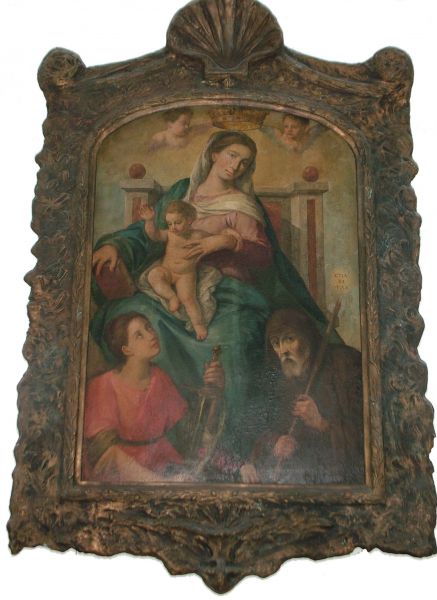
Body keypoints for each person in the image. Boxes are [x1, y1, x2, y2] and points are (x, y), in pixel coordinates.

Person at [91, 130, 332, 459]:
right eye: (231, 155)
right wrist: (115, 246)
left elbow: (264, 257)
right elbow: (149, 234)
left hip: (230, 292)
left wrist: (227, 242)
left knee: (227, 344)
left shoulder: (242, 204)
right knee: (135, 317)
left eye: (244, 162)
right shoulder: (183, 192)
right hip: (173, 284)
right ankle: (167, 433)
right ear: (214, 154)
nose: (236, 165)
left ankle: (232, 449)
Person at [83, 312, 224, 483]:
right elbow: (103, 452)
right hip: (124, 470)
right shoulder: (103, 385)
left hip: (162, 461)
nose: (151, 335)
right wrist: (162, 482)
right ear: (126, 349)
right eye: (139, 335)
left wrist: (215, 391)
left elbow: (190, 433)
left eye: (148, 327)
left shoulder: (159, 378)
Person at [240, 309, 364, 484]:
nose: (283, 350)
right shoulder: (282, 381)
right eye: (276, 343)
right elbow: (265, 431)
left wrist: (320, 423)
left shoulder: (345, 364)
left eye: (289, 339)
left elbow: (367, 437)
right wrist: (274, 443)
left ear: (307, 337)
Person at [138, 200, 240, 340]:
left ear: (190, 220)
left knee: (189, 300)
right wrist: (149, 220)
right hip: (167, 270)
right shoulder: (170, 234)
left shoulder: (198, 235)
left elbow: (220, 239)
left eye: (177, 223)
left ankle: (198, 325)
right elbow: (154, 235)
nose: (173, 227)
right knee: (153, 275)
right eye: (169, 224)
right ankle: (171, 297)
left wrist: (227, 236)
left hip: (185, 275)